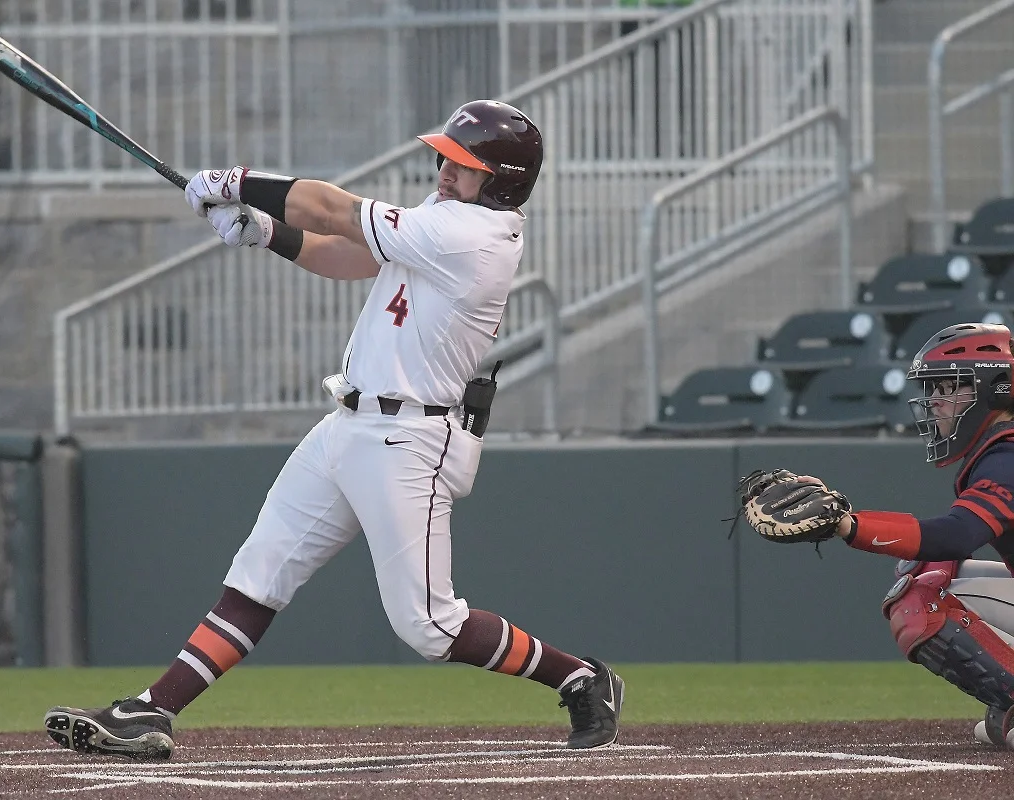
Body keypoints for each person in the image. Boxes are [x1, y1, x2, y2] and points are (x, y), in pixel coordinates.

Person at [43, 100, 624, 760]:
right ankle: (151, 711)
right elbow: (344, 255)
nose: (444, 169)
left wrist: (235, 182)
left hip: (409, 442)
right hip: (347, 425)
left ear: (503, 179)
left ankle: (581, 677)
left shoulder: (474, 236)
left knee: (430, 627)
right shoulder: (441, 222)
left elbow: (331, 209)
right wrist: (267, 233)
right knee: (259, 574)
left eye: (464, 165)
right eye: (447, 157)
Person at [749, 322, 1014, 748]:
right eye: (934, 390)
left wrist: (848, 525)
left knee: (920, 595)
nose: (935, 403)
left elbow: (958, 534)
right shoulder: (999, 450)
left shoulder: (1006, 456)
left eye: (949, 388)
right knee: (927, 567)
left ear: (994, 389)